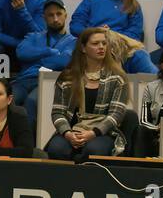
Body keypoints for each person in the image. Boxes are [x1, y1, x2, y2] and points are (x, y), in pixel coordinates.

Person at [46, 27, 130, 159]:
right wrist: (68, 133)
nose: (101, 47)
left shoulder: (118, 77)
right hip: (72, 130)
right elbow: (57, 113)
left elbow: (116, 114)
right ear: (83, 48)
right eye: (95, 44)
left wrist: (93, 133)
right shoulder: (67, 77)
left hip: (103, 133)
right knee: (57, 149)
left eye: (104, 43)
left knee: (93, 150)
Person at [70, 0, 154, 73]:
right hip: (93, 46)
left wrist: (111, 36)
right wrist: (96, 32)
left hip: (122, 48)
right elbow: (75, 26)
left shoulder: (133, 5)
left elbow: (134, 35)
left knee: (141, 55)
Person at [14, 0, 76, 123]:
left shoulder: (74, 41)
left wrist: (35, 58)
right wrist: (47, 52)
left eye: (58, 14)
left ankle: (29, 142)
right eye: (50, 15)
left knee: (31, 101)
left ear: (65, 15)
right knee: (6, 99)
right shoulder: (34, 36)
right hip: (24, 81)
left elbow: (63, 61)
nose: (55, 19)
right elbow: (21, 52)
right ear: (44, 17)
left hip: (50, 81)